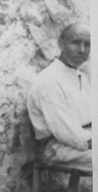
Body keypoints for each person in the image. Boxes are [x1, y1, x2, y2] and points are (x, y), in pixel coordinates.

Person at [26, 22, 92, 173]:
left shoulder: (80, 77)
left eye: (87, 44)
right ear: (61, 44)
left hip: (81, 144)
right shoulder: (49, 82)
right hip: (57, 149)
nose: (82, 50)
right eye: (76, 43)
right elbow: (74, 137)